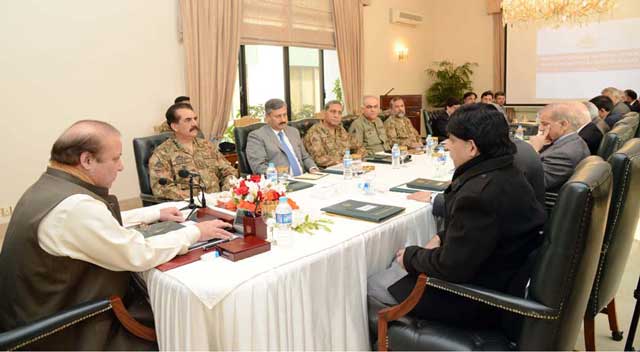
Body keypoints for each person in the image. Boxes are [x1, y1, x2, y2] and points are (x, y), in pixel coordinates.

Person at [0, 120, 233, 350]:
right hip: (66, 331)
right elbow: (139, 254)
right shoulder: (74, 208)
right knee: (182, 316)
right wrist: (196, 231)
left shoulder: (50, 187)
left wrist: (154, 212)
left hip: (36, 312)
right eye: (116, 158)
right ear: (87, 160)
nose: (121, 166)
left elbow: (97, 223)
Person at [368, 104, 545, 328]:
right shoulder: (508, 172)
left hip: (477, 299)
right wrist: (442, 237)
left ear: (472, 147)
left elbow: (450, 267)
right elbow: (482, 230)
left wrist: (410, 256)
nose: (447, 146)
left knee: (376, 283)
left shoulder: (479, 194)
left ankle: (400, 340)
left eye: (451, 140)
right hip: (504, 277)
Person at [149, 103, 237, 200]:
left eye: (195, 119)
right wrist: (196, 199)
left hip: (219, 201)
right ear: (175, 126)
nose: (194, 124)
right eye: (188, 120)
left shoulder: (207, 146)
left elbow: (229, 171)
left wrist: (226, 191)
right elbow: (162, 188)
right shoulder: (162, 153)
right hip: (189, 206)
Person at [246, 98, 318, 175]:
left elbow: (305, 157)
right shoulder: (257, 136)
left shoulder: (293, 132)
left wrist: (313, 168)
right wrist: (282, 177)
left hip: (305, 178)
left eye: (285, 115)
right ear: (267, 117)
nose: (283, 119)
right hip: (281, 182)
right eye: (278, 116)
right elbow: (259, 167)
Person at [528, 102, 590, 192]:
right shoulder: (573, 141)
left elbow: (535, 183)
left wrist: (533, 150)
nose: (541, 128)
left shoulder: (564, 154)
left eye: (545, 124)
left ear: (564, 124)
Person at [303, 100, 366, 168]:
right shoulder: (315, 132)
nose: (336, 115)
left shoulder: (341, 129)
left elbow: (359, 147)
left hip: (346, 167)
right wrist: (345, 161)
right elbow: (319, 159)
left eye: (339, 113)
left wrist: (356, 158)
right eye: (333, 112)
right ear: (324, 113)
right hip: (327, 171)